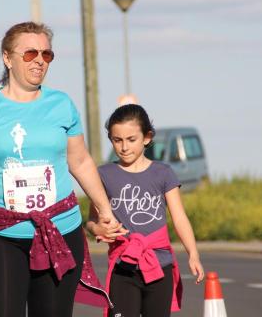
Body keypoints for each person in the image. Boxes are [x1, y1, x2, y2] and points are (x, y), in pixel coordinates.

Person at [0, 21, 126, 317]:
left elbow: (80, 161)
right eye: (30, 53)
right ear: (7, 58)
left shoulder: (61, 105)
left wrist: (105, 212)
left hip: (60, 228)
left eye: (47, 54)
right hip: (1, 233)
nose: (40, 61)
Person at [86, 104, 205, 317]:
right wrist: (97, 230)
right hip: (123, 268)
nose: (124, 147)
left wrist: (193, 253)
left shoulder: (164, 173)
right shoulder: (103, 174)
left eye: (131, 139)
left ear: (147, 137)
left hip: (160, 268)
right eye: (117, 140)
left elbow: (179, 218)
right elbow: (92, 220)